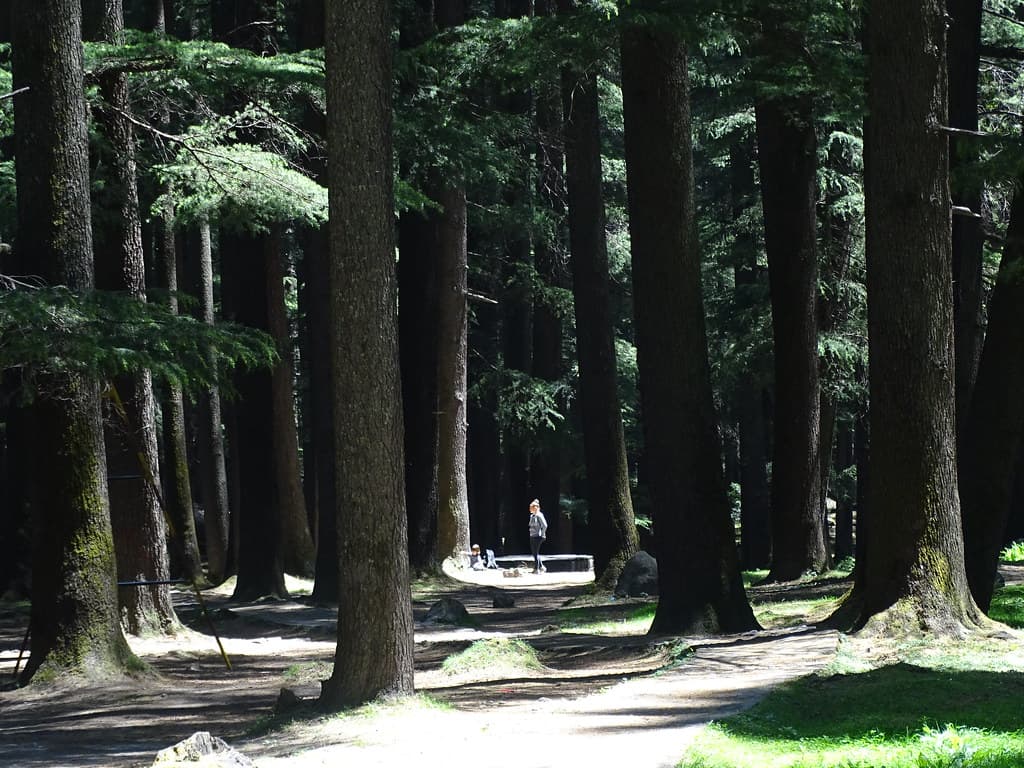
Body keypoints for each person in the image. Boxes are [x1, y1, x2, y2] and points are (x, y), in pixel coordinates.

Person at [528, 498, 547, 574]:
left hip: (538, 536)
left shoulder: (539, 515)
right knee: (534, 552)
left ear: (535, 508)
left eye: (531, 508)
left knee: (535, 552)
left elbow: (545, 525)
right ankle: (541, 567)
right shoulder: (532, 516)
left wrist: (542, 534)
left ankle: (537, 569)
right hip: (532, 535)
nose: (529, 509)